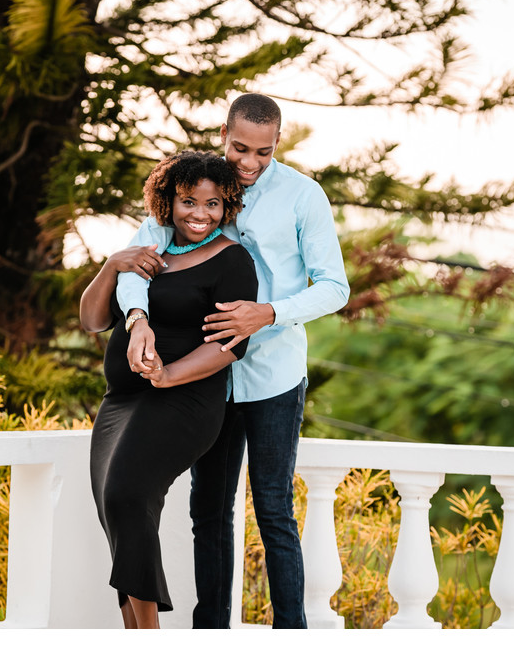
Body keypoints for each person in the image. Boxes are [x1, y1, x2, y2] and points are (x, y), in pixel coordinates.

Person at [115, 93, 350, 628]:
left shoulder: (303, 196)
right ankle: (210, 637)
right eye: (240, 148)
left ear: (277, 144)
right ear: (224, 133)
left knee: (273, 512)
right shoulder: (198, 185)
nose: (248, 163)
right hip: (207, 379)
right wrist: (136, 317)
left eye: (263, 153)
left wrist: (267, 313)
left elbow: (335, 287)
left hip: (273, 377)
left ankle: (291, 636)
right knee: (209, 513)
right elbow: (137, 256)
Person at [80, 151, 258, 629]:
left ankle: (151, 640)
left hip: (184, 399)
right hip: (121, 401)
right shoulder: (148, 253)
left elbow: (229, 347)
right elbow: (93, 320)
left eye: (214, 204)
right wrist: (111, 264)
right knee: (113, 507)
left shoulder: (232, 261)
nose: (200, 214)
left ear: (228, 206)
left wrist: (168, 374)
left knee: (127, 493)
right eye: (188, 202)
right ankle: (137, 637)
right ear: (168, 201)